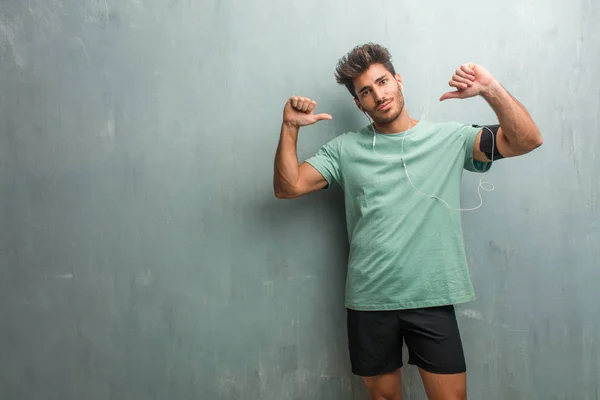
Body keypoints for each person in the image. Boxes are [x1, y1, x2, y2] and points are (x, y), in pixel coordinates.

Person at [272, 43, 542, 400]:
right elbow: (288, 186)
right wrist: (290, 126)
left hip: (431, 298)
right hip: (370, 301)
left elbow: (527, 140)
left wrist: (490, 89)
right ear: (359, 103)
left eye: (382, 82)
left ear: (398, 80)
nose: (378, 95)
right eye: (366, 91)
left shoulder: (449, 139)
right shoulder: (345, 149)